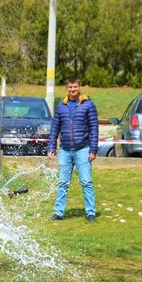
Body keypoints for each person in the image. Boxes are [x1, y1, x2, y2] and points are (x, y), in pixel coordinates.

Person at [47, 76, 99, 221]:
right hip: (65, 150)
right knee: (63, 182)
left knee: (86, 182)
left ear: (79, 86)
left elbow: (94, 128)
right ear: (66, 88)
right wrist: (51, 146)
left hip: (83, 149)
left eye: (75, 87)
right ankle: (58, 212)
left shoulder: (88, 105)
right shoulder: (61, 106)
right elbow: (54, 128)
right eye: (70, 87)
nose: (73, 89)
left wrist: (93, 149)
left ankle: (90, 213)